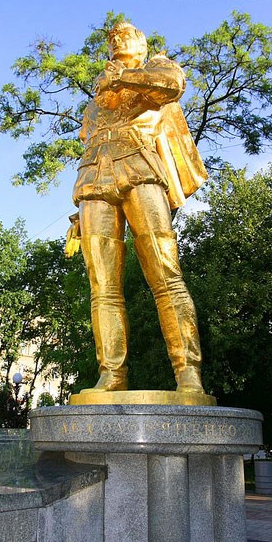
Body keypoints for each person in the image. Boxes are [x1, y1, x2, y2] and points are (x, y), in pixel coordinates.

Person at [65, 21, 208, 395]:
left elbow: (173, 86)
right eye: (111, 38)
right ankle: (111, 374)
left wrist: (124, 77)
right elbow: (90, 139)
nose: (116, 41)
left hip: (141, 169)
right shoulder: (94, 101)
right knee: (103, 288)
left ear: (141, 44)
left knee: (166, 276)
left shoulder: (154, 71)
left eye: (124, 36)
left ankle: (187, 371)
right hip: (94, 178)